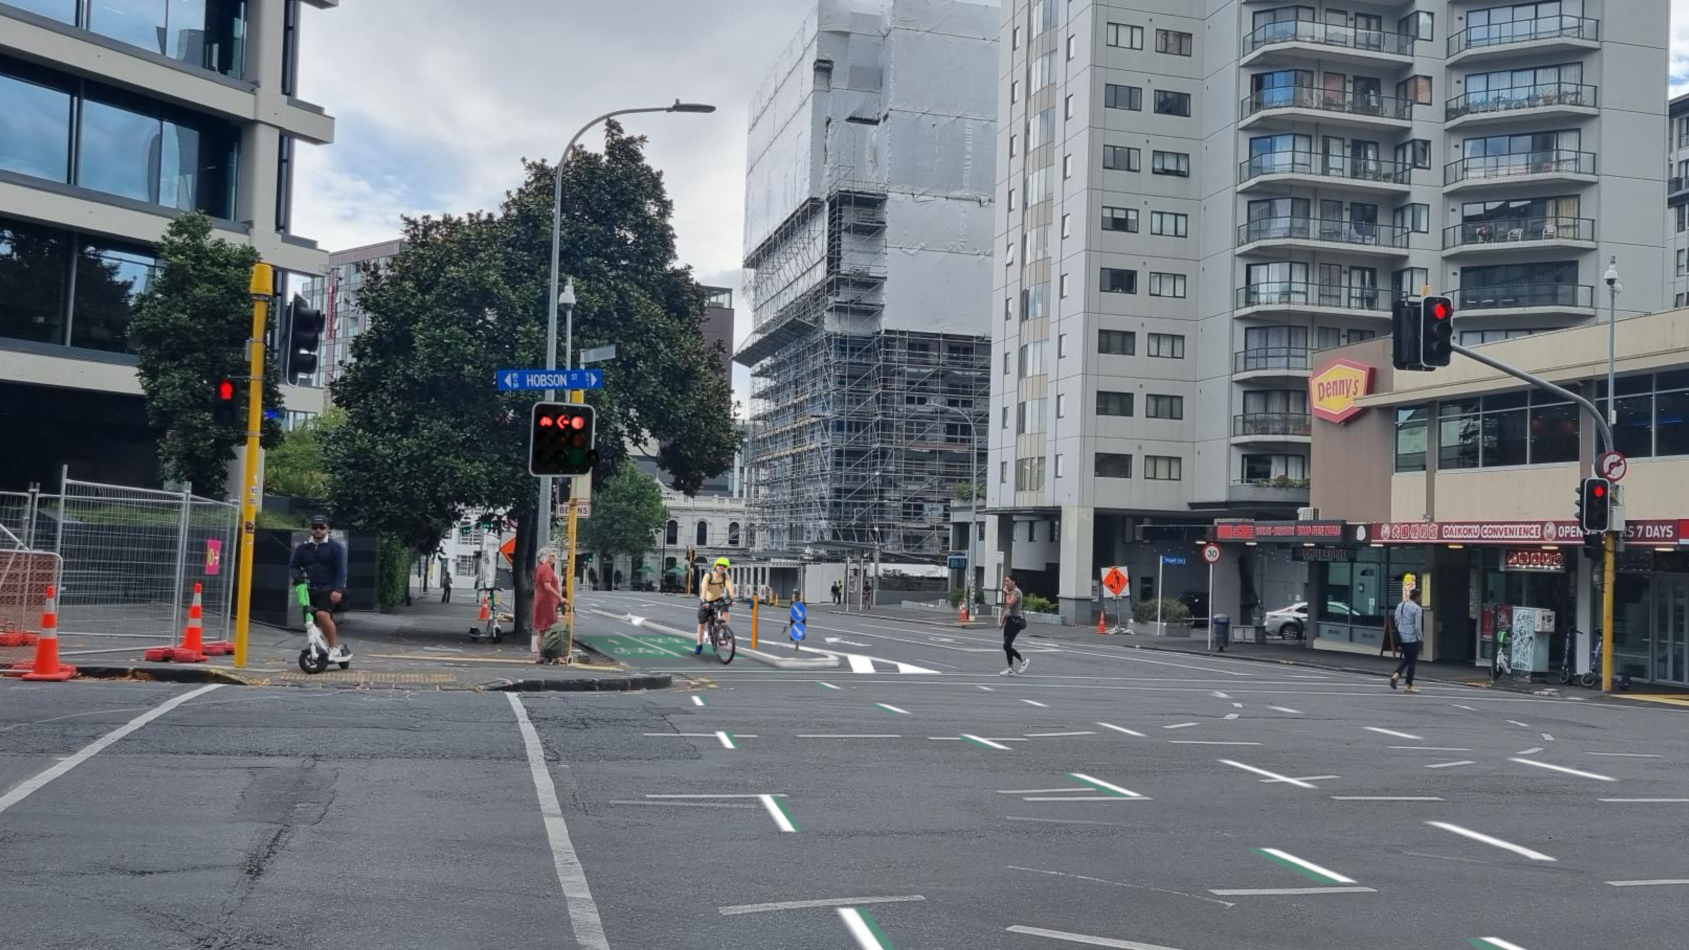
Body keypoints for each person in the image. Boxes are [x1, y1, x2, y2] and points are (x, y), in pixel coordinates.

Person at [289, 515, 351, 663]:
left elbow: (341, 570)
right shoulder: (303, 548)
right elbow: (293, 566)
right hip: (310, 588)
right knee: (313, 622)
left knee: (323, 615)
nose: (318, 530)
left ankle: (334, 648)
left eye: (321, 527)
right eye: (315, 527)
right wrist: (298, 577)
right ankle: (321, 647)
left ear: (327, 528)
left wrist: (338, 589)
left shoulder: (336, 547)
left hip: (329, 587)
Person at [695, 557, 736, 655]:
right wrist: (704, 601)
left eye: (724, 566)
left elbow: (730, 587)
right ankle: (699, 645)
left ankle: (725, 630)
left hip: (718, 598)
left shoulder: (725, 576)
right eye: (720, 565)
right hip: (706, 600)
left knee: (725, 610)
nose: (722, 567)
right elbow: (704, 588)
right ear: (716, 566)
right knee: (702, 624)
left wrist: (733, 598)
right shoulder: (708, 576)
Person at [1390, 587, 1424, 693]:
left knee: (1407, 658)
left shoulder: (1401, 605)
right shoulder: (1417, 609)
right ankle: (1408, 685)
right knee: (1412, 661)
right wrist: (1420, 638)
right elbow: (1417, 626)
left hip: (1401, 637)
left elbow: (1396, 619)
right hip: (1412, 638)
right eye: (1420, 596)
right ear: (1417, 597)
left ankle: (1396, 675)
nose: (1421, 598)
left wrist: (1401, 629)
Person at [533, 547, 564, 642]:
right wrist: (560, 597)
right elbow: (547, 585)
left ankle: (541, 655)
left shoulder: (539, 568)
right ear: (548, 557)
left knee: (541, 631)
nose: (554, 558)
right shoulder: (546, 569)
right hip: (547, 603)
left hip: (541, 600)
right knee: (549, 629)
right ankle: (547, 653)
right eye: (552, 555)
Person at [1000, 574, 1028, 676]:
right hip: (1009, 620)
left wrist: (1006, 593)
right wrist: (1002, 622)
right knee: (1007, 645)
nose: (1006, 583)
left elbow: (1010, 604)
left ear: (1013, 582)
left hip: (1015, 621)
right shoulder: (1011, 592)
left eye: (1007, 581)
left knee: (1007, 645)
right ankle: (1010, 668)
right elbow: (1007, 609)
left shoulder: (1016, 592)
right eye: (1005, 581)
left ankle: (1023, 660)